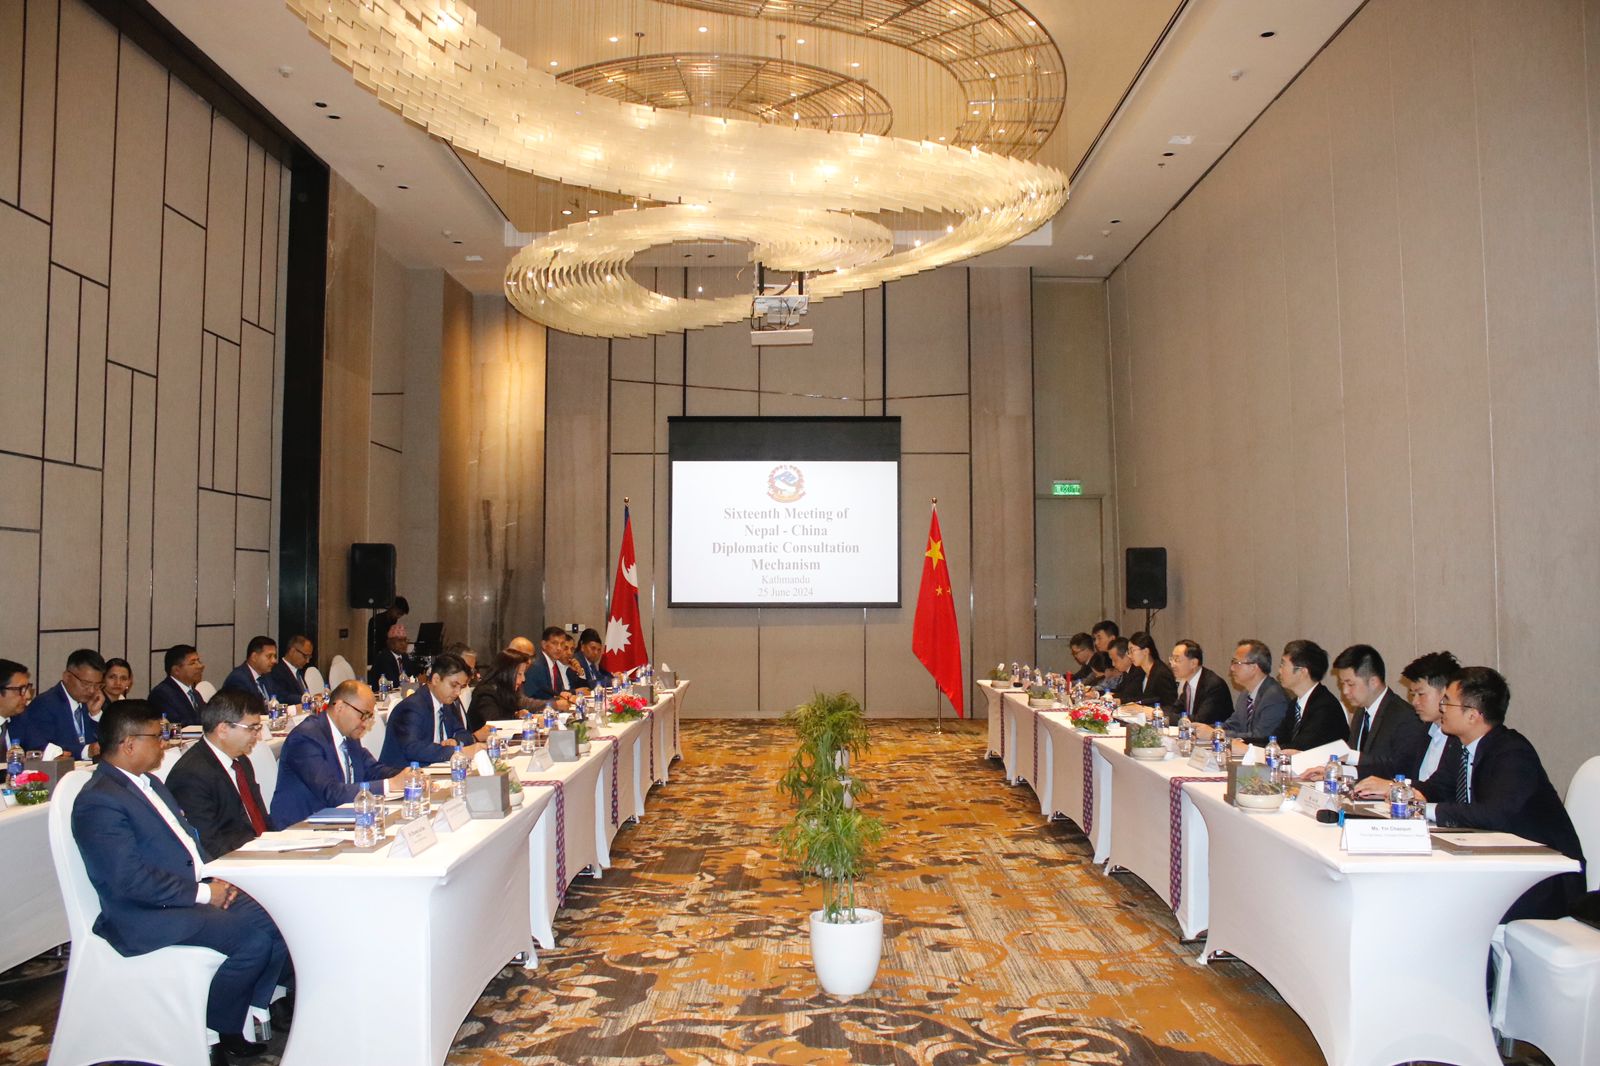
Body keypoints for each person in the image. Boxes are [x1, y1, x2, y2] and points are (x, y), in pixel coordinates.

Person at [72, 701, 289, 1062]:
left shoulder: (150, 784)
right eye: (156, 737)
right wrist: (203, 893)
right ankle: (212, 1031)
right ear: (128, 744)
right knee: (252, 943)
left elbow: (189, 845)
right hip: (145, 914)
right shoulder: (99, 801)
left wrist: (217, 880)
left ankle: (246, 1011)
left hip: (186, 892)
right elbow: (128, 881)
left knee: (279, 918)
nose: (164, 745)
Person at [1414, 667, 1586, 922]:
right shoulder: (1461, 747)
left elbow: (1494, 814)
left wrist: (1425, 809)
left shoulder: (1512, 753)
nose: (1441, 708)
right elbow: (1436, 788)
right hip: (1496, 861)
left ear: (1473, 715)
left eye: (1447, 702)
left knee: (1441, 905)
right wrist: (1402, 793)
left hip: (1541, 879)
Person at [270, 681, 402, 829]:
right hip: (301, 828)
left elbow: (372, 770)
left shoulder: (348, 734)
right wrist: (390, 784)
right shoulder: (306, 738)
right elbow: (331, 792)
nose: (365, 724)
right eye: (364, 715)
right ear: (340, 707)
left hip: (338, 822)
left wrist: (406, 776)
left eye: (370, 717)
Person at [166, 689, 271, 859]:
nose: (257, 736)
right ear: (223, 729)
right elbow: (208, 843)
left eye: (258, 728)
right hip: (233, 862)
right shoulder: (190, 775)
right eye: (252, 728)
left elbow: (260, 818)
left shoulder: (241, 761)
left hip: (260, 850)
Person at [1353, 651, 1461, 798]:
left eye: (1421, 694)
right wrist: (1347, 771)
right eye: (1412, 694)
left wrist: (1394, 787)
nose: (1414, 702)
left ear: (1445, 694)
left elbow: (1441, 790)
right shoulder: (1425, 729)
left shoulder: (1459, 739)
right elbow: (1397, 767)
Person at [1333, 643, 1429, 775]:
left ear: (1373, 682)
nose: (1345, 691)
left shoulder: (1405, 716)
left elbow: (1401, 767)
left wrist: (1355, 757)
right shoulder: (1361, 711)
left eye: (1350, 684)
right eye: (1342, 684)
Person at [379, 653, 483, 767]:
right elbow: (413, 749)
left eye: (461, 687)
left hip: (437, 769)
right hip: (406, 772)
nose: (458, 692)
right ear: (436, 679)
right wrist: (457, 752)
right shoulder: (412, 707)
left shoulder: (446, 703)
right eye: (454, 685)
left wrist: (455, 741)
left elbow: (463, 733)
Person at [16, 648, 105, 759]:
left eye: (97, 685)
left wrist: (95, 714)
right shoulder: (44, 704)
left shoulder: (90, 703)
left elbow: (106, 744)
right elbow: (43, 748)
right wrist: (86, 751)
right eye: (86, 683)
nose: (92, 690)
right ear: (67, 677)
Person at [1197, 640, 1289, 746]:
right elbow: (1233, 724)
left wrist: (1216, 734)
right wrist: (1203, 728)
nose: (1232, 668)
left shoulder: (1274, 696)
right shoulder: (1245, 694)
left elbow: (1261, 736)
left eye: (1236, 663)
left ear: (1254, 667)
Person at [1276, 640, 1348, 750]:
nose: (1279, 670)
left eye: (1283, 665)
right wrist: (1248, 744)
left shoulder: (1325, 707)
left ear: (1302, 672)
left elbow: (1300, 747)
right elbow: (1276, 740)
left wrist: (1268, 750)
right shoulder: (1295, 704)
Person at [465, 650, 531, 740]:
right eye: (519, 674)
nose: (523, 679)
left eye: (523, 674)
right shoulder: (485, 694)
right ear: (506, 673)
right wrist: (519, 720)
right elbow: (496, 724)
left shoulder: (506, 691)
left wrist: (517, 715)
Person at [1169, 640, 1233, 725]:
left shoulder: (1214, 685)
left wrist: (1165, 717)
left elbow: (1200, 720)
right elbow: (1176, 709)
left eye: (1177, 660)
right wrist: (1159, 713)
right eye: (1172, 659)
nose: (1172, 664)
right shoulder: (1188, 683)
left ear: (1193, 663)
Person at [149, 645, 208, 728]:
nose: (200, 666)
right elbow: (174, 727)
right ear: (176, 670)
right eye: (193, 663)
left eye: (199, 661)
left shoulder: (194, 693)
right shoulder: (161, 694)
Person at [1124, 631, 1177, 712]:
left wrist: (1147, 710)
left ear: (1146, 651)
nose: (1129, 655)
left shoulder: (1161, 674)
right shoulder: (1139, 671)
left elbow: (1170, 706)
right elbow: (1134, 696)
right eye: (1128, 652)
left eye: (1132, 651)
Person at [524, 626, 577, 702]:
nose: (559, 648)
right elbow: (535, 696)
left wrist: (565, 695)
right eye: (555, 643)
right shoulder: (537, 666)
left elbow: (555, 692)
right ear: (544, 644)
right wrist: (557, 701)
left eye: (562, 644)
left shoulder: (553, 664)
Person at [222, 637, 278, 702]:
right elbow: (244, 707)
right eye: (269, 656)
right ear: (254, 657)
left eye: (275, 656)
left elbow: (277, 699)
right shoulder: (238, 679)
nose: (274, 660)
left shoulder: (267, 676)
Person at [268, 635, 315, 703]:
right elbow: (282, 697)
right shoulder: (277, 672)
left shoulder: (300, 671)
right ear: (292, 651)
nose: (307, 661)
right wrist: (304, 699)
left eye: (309, 657)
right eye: (305, 656)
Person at [366, 596, 409, 667]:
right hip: (376, 656)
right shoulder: (377, 620)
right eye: (398, 613)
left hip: (385, 653)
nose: (398, 617)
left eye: (401, 615)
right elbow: (381, 641)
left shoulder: (393, 620)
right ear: (392, 608)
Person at [0, 659, 32, 755]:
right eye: (21, 689)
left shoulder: (20, 719)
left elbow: (41, 746)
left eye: (27, 688)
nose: (28, 696)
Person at [368, 624, 412, 688]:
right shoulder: (384, 657)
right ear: (391, 642)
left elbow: (411, 675)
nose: (403, 644)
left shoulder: (404, 656)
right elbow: (392, 681)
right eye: (399, 640)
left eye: (405, 640)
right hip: (381, 692)